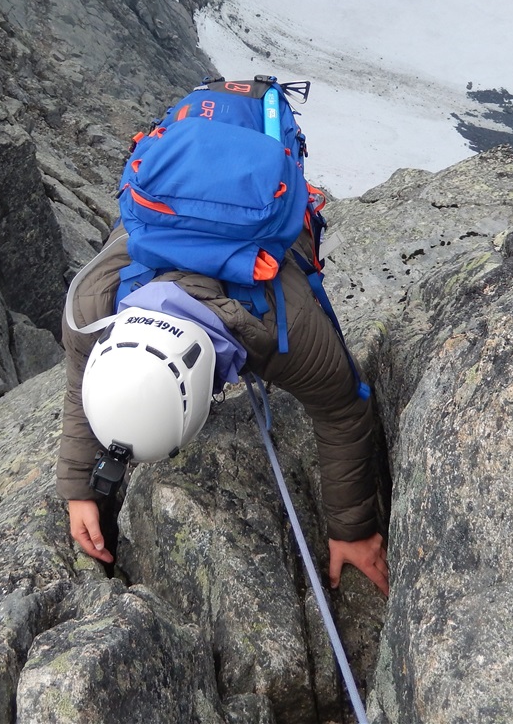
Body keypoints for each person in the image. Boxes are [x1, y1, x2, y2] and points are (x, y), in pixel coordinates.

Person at [56, 217, 391, 595]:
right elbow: (80, 384)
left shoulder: (285, 328)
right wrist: (79, 488)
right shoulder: (90, 308)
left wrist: (352, 529)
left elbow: (342, 409)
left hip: (259, 217)